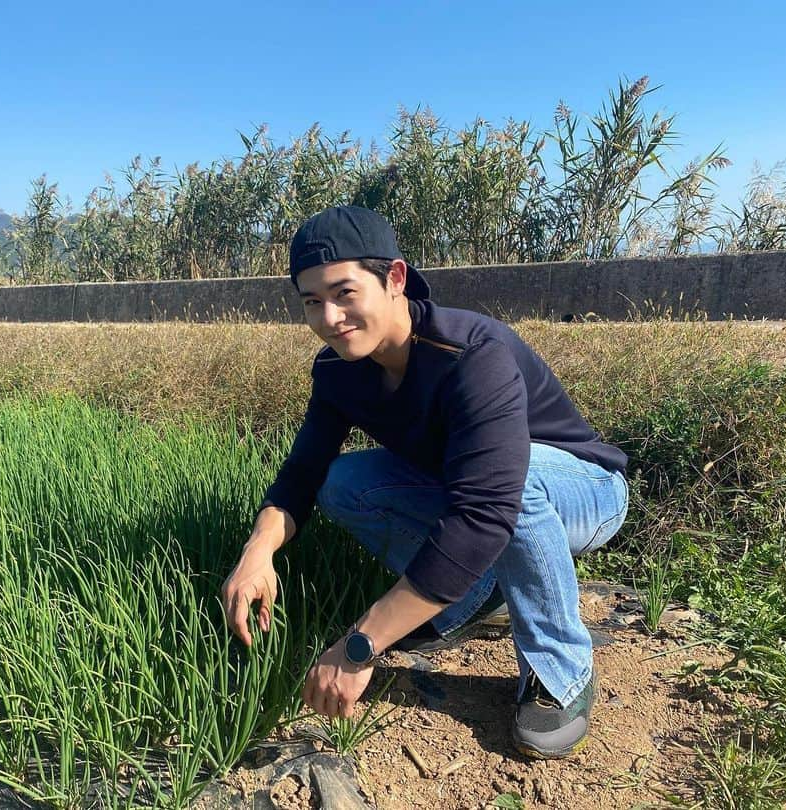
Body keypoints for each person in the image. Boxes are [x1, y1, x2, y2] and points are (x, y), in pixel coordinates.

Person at [220, 205, 629, 759]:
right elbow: (303, 472)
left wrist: (360, 645)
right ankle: (470, 599)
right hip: (474, 487)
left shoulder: (470, 355)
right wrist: (258, 550)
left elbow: (486, 512)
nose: (330, 317)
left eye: (344, 293)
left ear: (394, 278)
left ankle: (562, 672)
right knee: (343, 481)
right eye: (312, 302)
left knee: (514, 485)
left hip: (583, 487)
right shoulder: (340, 370)